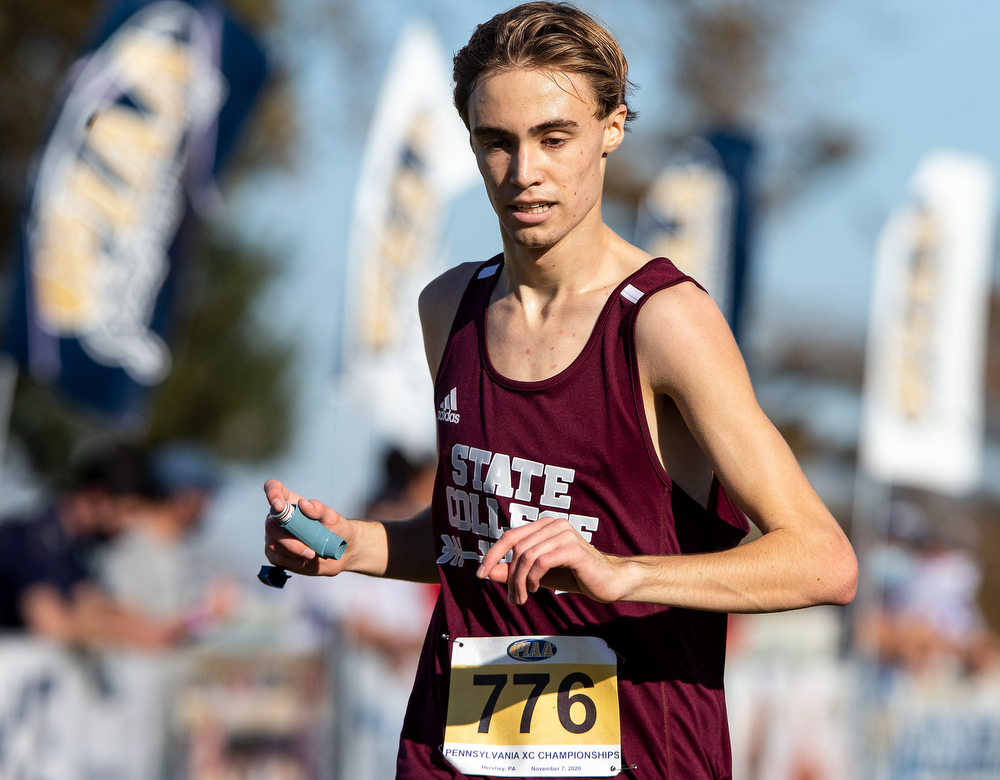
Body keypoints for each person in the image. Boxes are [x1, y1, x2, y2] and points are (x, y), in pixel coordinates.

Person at [263, 3, 858, 778]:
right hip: (457, 750)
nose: (524, 173)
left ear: (612, 128)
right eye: (497, 143)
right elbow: (472, 539)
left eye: (554, 137)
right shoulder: (449, 308)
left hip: (642, 754)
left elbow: (823, 560)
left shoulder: (663, 321)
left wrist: (623, 572)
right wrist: (351, 546)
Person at [0, 443, 188, 649]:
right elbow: (52, 627)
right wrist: (122, 630)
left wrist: (171, 625)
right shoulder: (34, 540)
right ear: (97, 497)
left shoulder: (74, 547)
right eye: (129, 510)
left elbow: (94, 604)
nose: (130, 524)